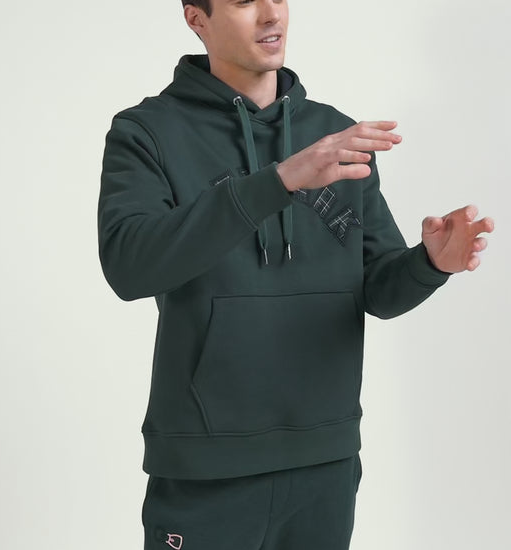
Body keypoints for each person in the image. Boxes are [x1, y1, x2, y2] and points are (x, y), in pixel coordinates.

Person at [97, 1, 494, 548]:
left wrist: (430, 264)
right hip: (206, 467)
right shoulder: (147, 132)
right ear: (196, 19)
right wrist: (278, 180)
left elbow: (377, 289)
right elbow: (129, 266)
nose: (270, 15)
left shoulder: (334, 135)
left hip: (325, 464)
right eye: (243, 1)